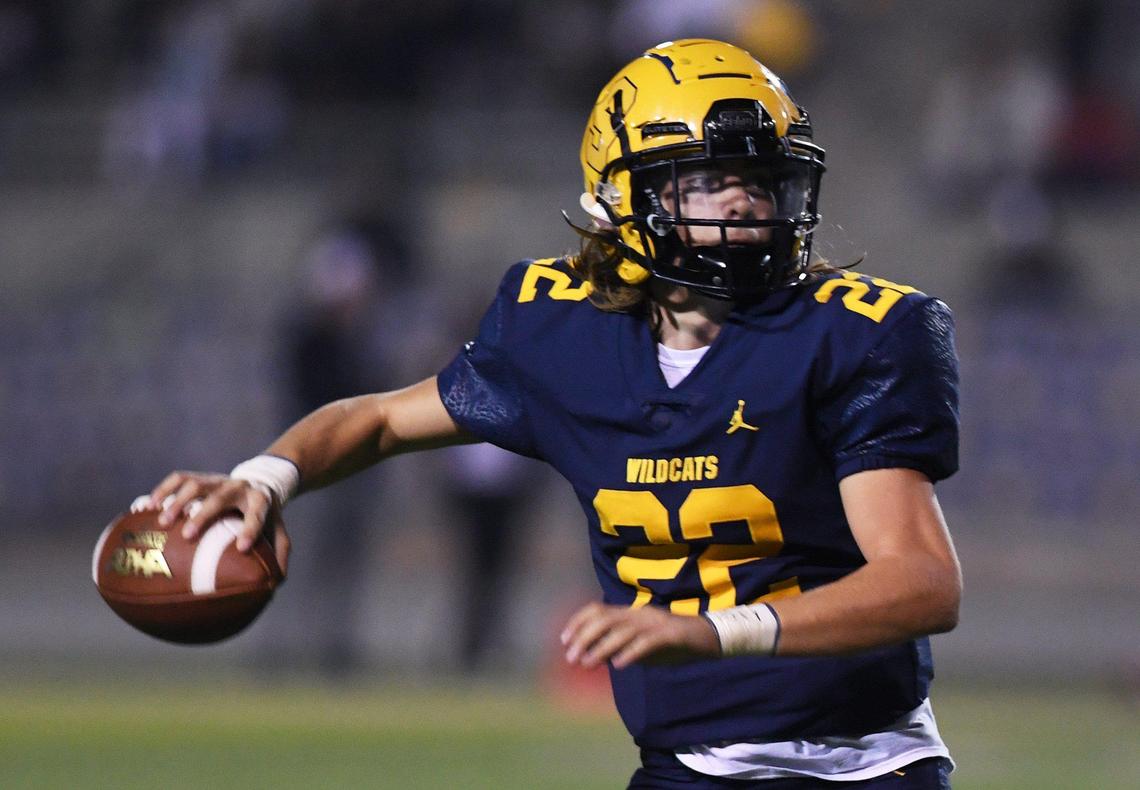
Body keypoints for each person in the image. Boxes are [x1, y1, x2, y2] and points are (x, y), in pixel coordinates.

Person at [149, 39, 961, 788]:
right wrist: (266, 477)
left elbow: (922, 582)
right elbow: (383, 420)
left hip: (861, 765)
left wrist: (716, 632)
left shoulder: (858, 333)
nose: (747, 204)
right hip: (682, 762)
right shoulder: (559, 327)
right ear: (621, 202)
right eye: (710, 180)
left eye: (763, 179)